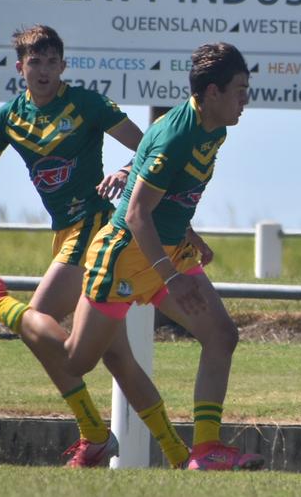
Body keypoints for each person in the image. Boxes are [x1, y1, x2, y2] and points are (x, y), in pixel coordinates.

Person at [0, 25, 187, 467]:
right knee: (118, 358)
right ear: (20, 67)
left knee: (37, 319)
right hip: (65, 233)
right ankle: (177, 455)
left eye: (51, 61)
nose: (43, 70)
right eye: (34, 62)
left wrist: (122, 169)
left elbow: (147, 148)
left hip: (95, 228)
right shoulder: (9, 117)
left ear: (63, 65)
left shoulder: (86, 103)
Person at [63, 41, 262, 471]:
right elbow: (136, 214)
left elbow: (172, 196)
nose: (246, 99)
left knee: (222, 335)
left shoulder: (216, 128)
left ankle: (205, 449)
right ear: (212, 92)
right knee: (76, 361)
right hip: (127, 255)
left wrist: (190, 235)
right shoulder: (177, 135)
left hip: (168, 250)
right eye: (240, 90)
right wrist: (171, 277)